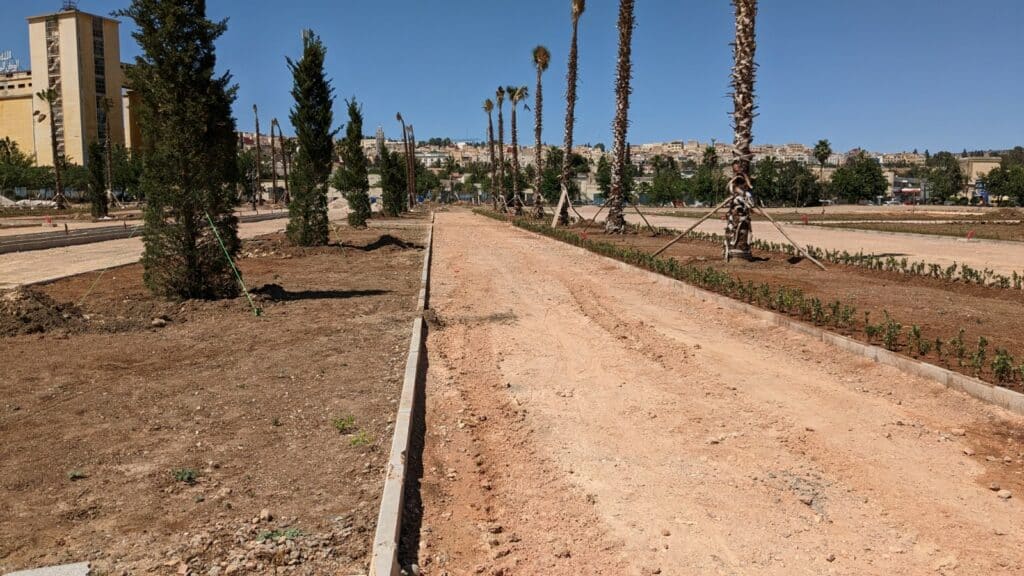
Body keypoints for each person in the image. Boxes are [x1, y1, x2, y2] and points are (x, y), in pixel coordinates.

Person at [725, 162, 754, 261]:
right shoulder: (733, 181)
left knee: (744, 228)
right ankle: (731, 246)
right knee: (734, 228)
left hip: (743, 203)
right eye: (735, 168)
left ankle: (742, 247)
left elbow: (749, 186)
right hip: (737, 204)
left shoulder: (744, 178)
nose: (737, 169)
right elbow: (732, 188)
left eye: (738, 167)